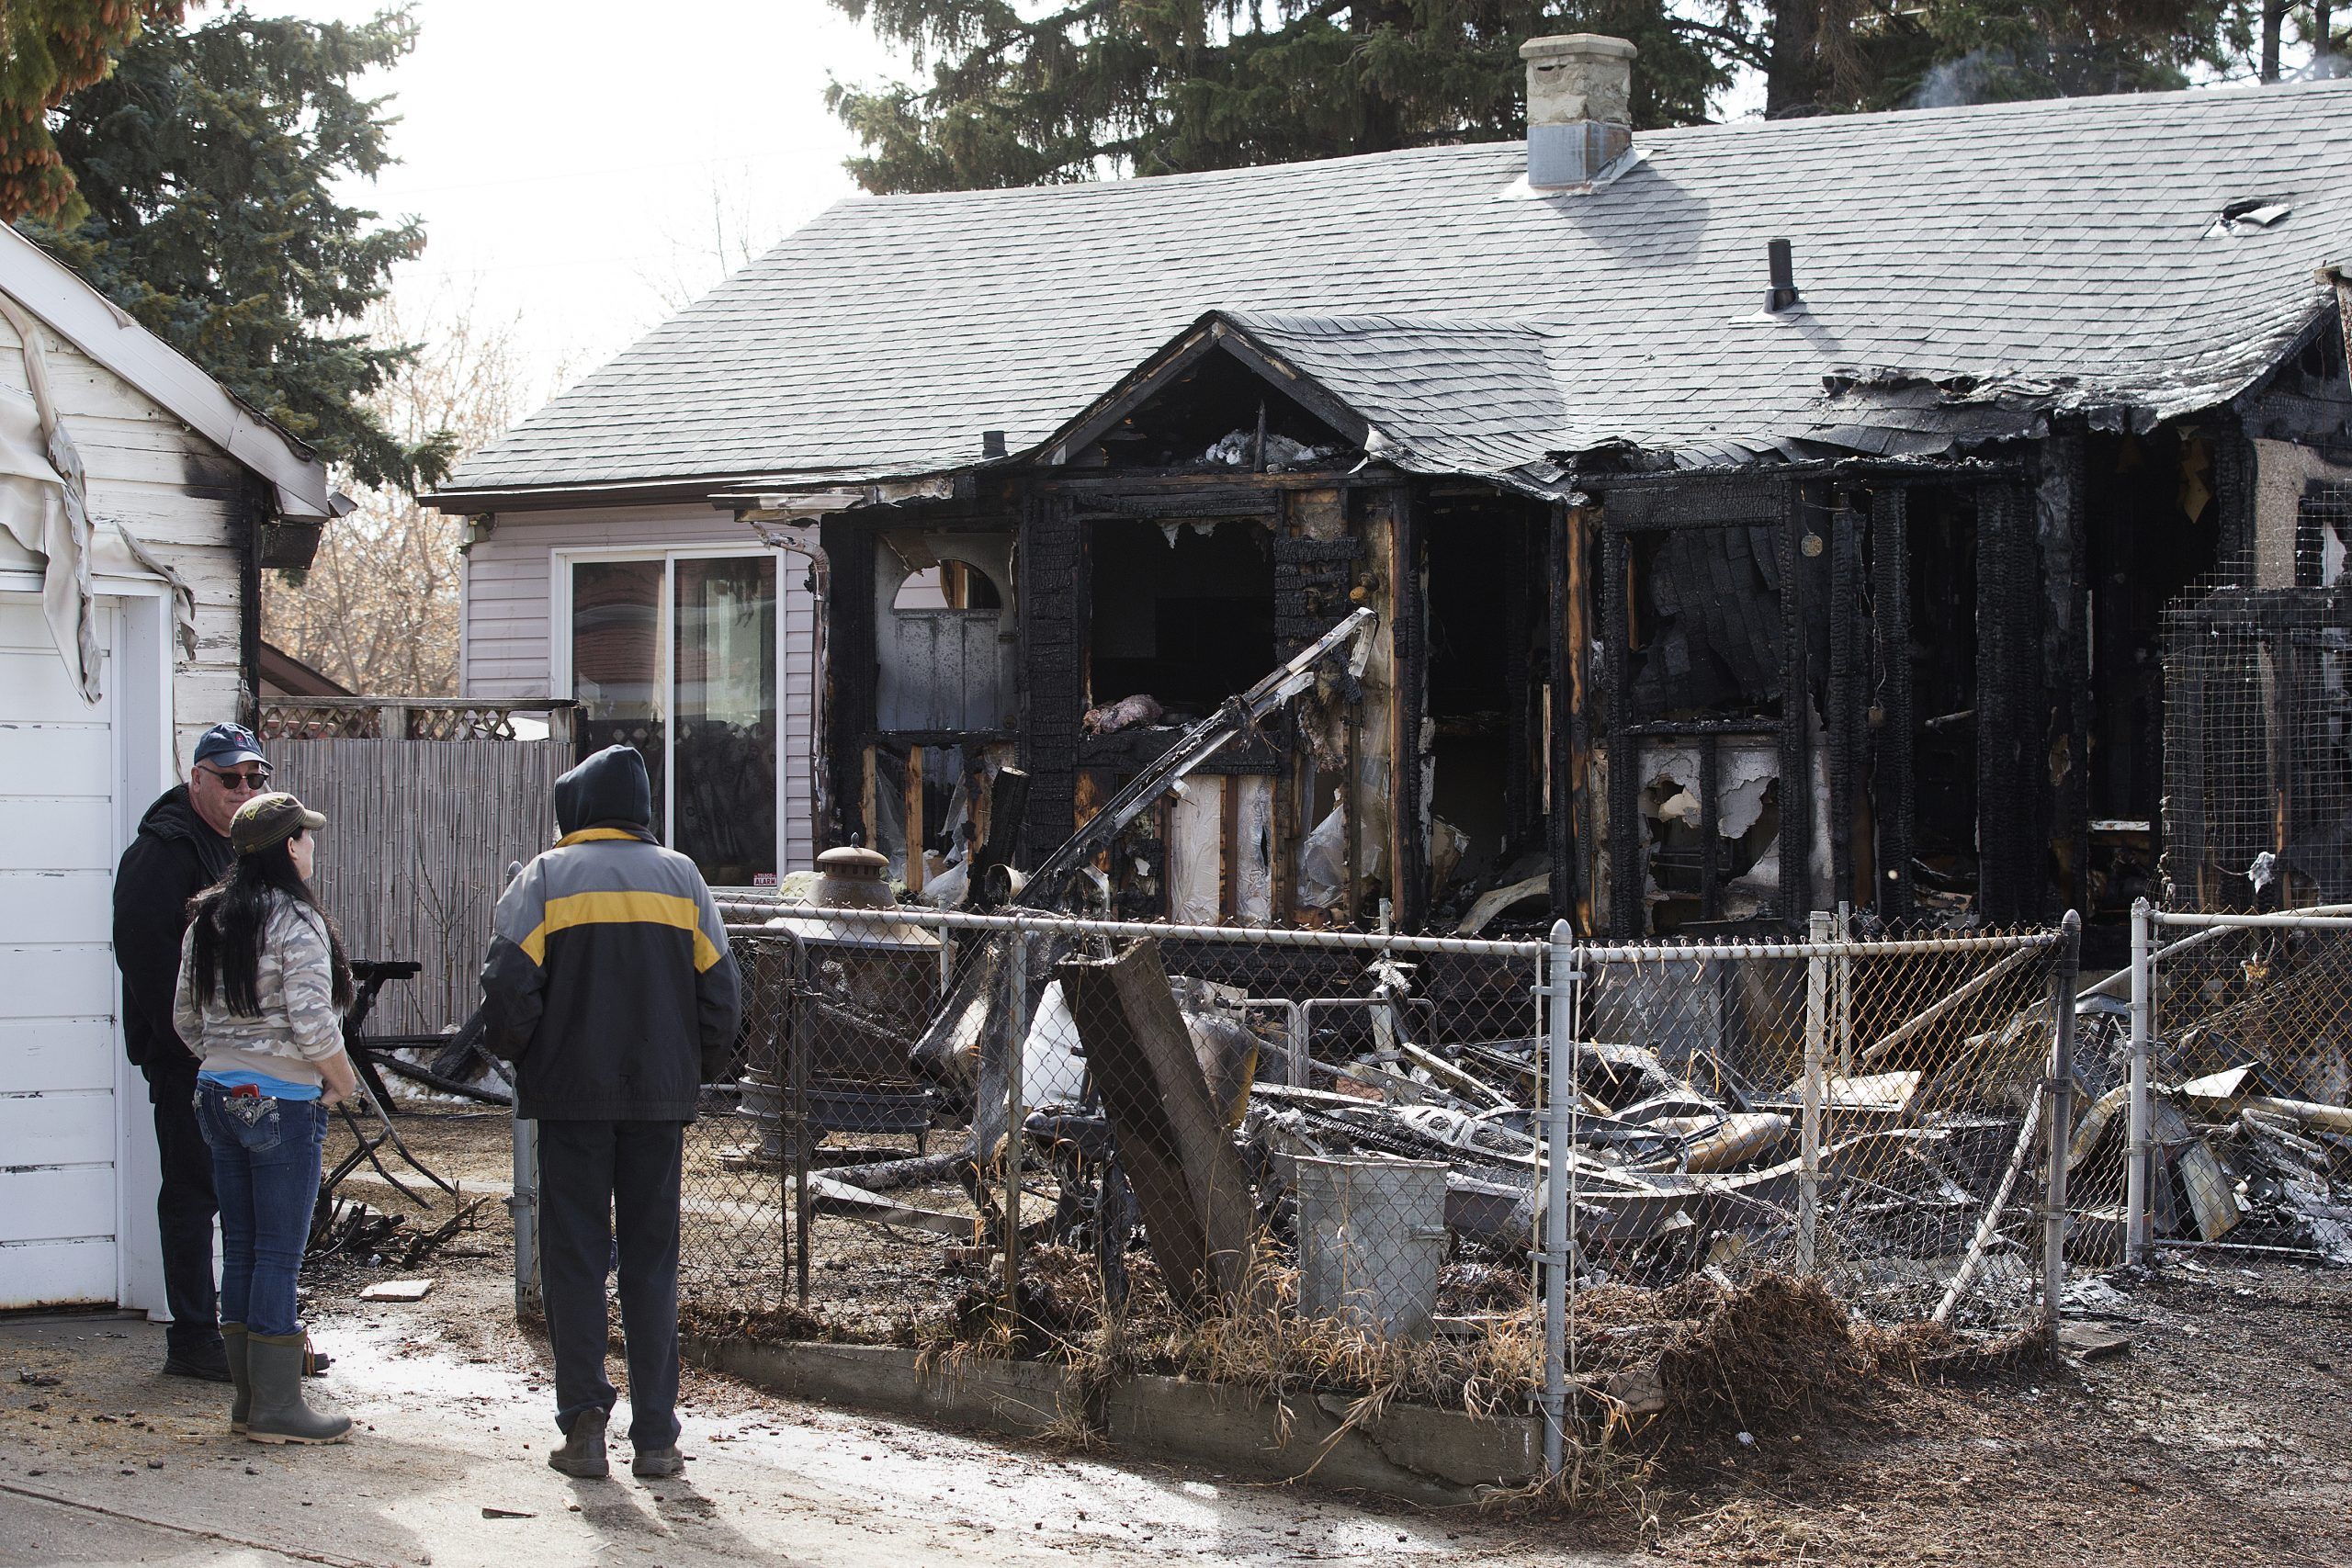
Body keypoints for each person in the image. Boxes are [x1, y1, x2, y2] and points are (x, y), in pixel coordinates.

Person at [480, 745, 742, 1482]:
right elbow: (723, 996)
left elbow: (505, 991)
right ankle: (657, 1438)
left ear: (580, 808)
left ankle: (585, 1429)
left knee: (575, 1258)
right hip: (659, 1101)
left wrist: (525, 1056)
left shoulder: (543, 878)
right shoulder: (684, 879)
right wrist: (692, 1070)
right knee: (652, 1264)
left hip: (569, 1101)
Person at [175, 791, 361, 1445]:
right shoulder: (296, 919)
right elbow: (312, 1021)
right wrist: (341, 1081)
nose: (312, 844)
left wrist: (228, 1060)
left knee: (246, 1247)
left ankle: (250, 1402)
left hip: (215, 1096)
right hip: (279, 1102)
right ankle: (278, 1409)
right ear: (289, 847)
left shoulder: (209, 917)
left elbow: (185, 1018)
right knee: (280, 1253)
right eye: (306, 836)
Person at [112, 721, 269, 1382]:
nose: (243, 789)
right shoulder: (162, 853)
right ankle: (194, 1338)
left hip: (245, 1060)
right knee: (193, 1193)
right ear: (197, 779)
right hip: (191, 1064)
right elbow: (148, 963)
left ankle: (253, 1333)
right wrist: (192, 1050)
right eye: (229, 777)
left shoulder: (242, 846)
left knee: (250, 1193)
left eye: (254, 778)